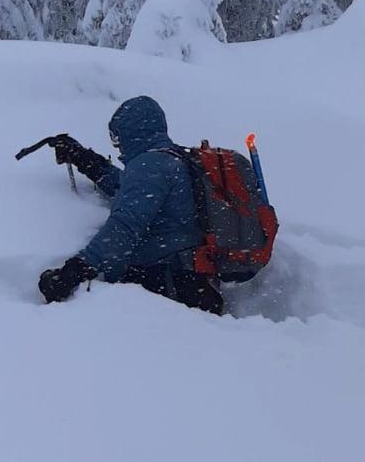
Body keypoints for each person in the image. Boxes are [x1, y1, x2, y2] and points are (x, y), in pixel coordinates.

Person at [37, 96, 225, 315]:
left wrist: (74, 271)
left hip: (166, 287)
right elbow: (126, 189)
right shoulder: (172, 159)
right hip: (193, 283)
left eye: (117, 137)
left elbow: (124, 226)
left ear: (133, 131)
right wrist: (84, 158)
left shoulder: (149, 166)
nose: (117, 145)